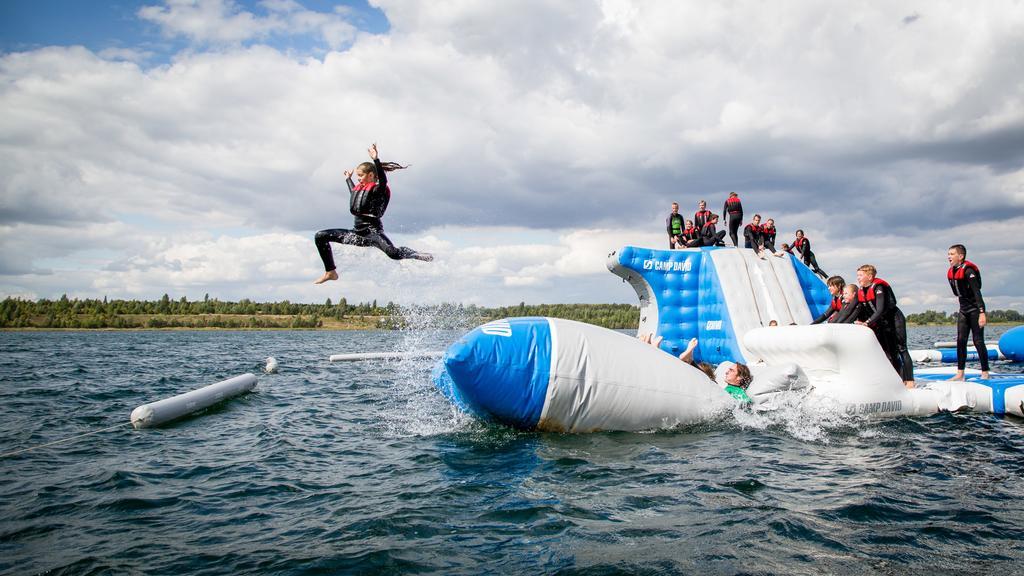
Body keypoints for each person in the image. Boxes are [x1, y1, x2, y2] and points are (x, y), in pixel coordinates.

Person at [314, 143, 433, 284]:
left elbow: (383, 181)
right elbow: (354, 193)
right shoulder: (360, 188)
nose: (358, 178)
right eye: (357, 176)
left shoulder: (378, 189)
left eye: (361, 175)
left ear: (371, 175)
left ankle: (415, 254)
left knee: (393, 254)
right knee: (320, 236)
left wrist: (376, 160)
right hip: (356, 234)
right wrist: (348, 179)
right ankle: (331, 272)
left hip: (372, 233)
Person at [639, 334, 752, 402]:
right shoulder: (728, 388)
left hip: (712, 394)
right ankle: (687, 359)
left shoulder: (739, 392)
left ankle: (659, 353)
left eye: (731, 370)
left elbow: (745, 403)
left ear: (739, 378)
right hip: (711, 391)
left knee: (705, 378)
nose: (727, 371)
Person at [854, 264, 914, 388]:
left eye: (860, 275)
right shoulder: (862, 291)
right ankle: (899, 380)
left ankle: (910, 382)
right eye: (857, 275)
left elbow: (880, 309)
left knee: (902, 349)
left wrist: (867, 323)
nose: (858, 278)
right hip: (883, 323)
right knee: (890, 352)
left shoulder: (879, 287)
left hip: (895, 320)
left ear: (870, 276)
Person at [947, 244, 990, 380]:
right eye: (948, 254)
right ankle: (960, 374)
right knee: (960, 340)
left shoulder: (968, 271)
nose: (949, 257)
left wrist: (982, 313)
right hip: (963, 310)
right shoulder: (952, 271)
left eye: (952, 254)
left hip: (975, 310)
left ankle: (985, 372)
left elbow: (977, 293)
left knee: (978, 341)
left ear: (961, 256)